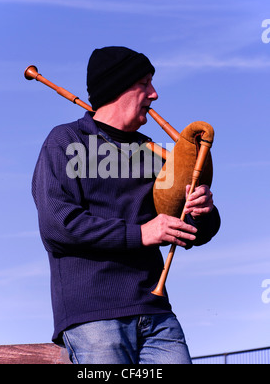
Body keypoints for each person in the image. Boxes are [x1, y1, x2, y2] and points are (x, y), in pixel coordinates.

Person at [32, 46, 220, 364]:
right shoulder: (65, 141)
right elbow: (57, 223)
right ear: (119, 87)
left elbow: (189, 231)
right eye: (145, 83)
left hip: (157, 315)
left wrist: (201, 213)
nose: (155, 94)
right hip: (93, 316)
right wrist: (141, 234)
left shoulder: (152, 151)